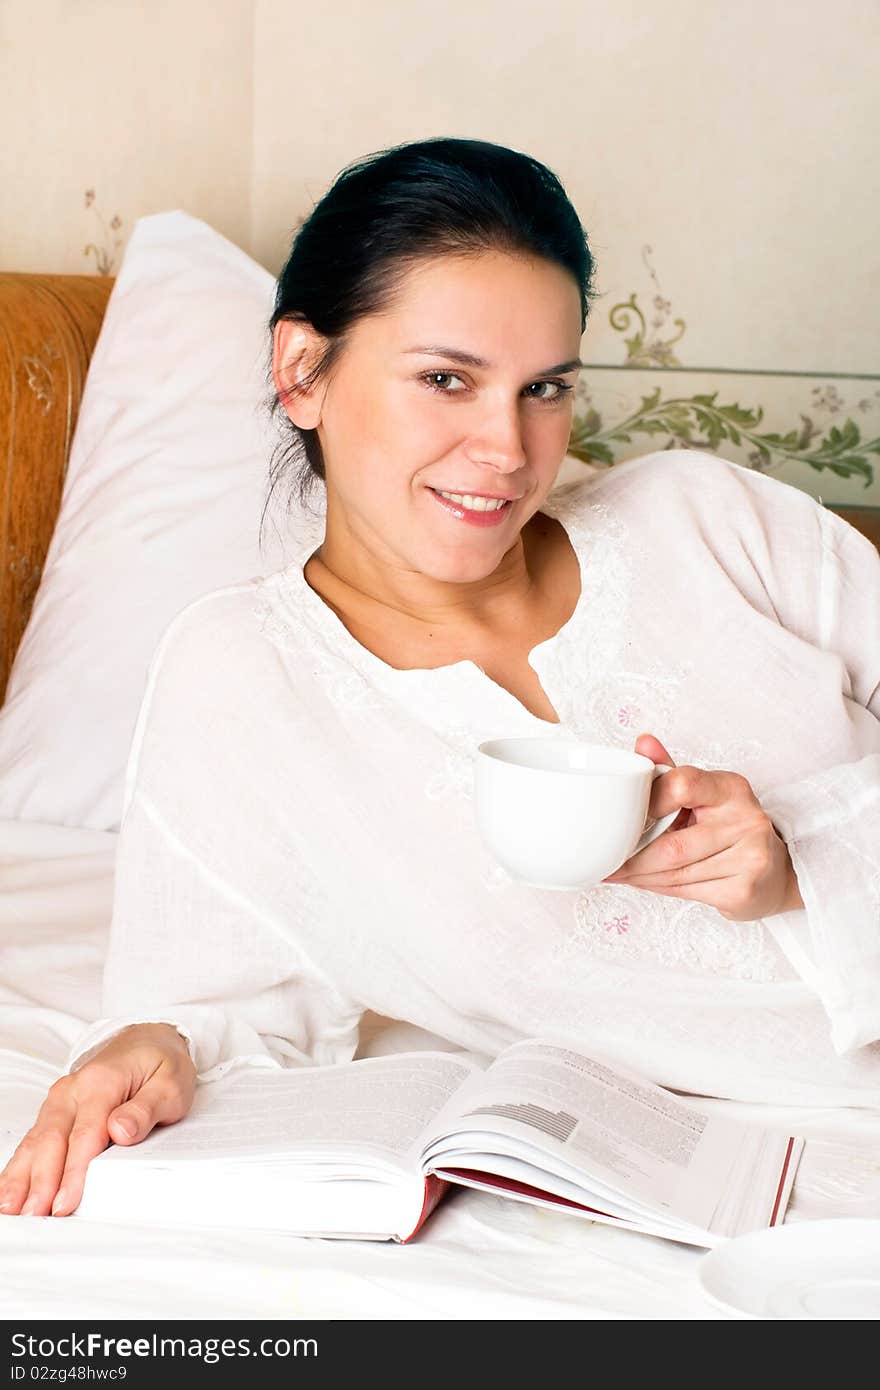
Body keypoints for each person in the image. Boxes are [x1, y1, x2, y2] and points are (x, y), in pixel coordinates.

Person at [2, 137, 879, 1222]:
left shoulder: (710, 522)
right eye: (446, 379)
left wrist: (804, 864)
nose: (507, 448)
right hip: (772, 1186)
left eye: (544, 388)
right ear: (300, 372)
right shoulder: (242, 676)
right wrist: (149, 1046)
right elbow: (224, 990)